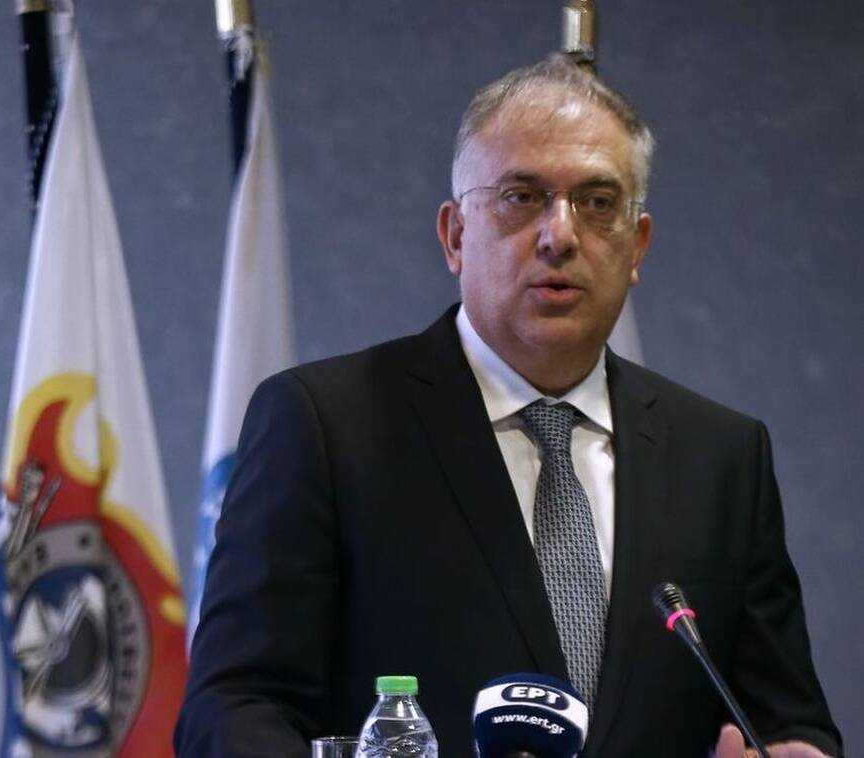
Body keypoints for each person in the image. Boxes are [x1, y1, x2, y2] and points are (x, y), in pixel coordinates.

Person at [175, 57, 841, 757]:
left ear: (637, 246)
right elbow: (234, 708)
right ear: (455, 236)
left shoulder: (721, 457)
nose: (561, 235)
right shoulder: (326, 425)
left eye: (598, 203)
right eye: (522, 197)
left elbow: (786, 720)